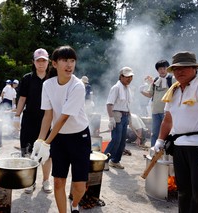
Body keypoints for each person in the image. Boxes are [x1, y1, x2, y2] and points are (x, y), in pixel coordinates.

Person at [32, 46, 91, 213]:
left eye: (72, 61)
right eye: (65, 60)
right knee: (58, 182)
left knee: (80, 186)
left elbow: (64, 118)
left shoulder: (78, 86)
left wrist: (46, 142)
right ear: (55, 63)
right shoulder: (48, 85)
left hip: (80, 137)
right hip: (59, 139)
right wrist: (40, 141)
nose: (69, 65)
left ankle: (74, 205)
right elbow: (48, 116)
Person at [154, 51, 198, 213]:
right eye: (176, 69)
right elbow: (168, 119)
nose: (180, 72)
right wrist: (159, 141)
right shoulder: (174, 90)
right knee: (183, 191)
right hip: (179, 147)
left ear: (195, 68)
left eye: (185, 67)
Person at [13, 48, 52, 194]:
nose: (41, 64)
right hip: (29, 119)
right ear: (33, 62)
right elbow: (22, 98)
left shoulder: (53, 78)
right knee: (28, 151)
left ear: (48, 62)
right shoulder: (27, 78)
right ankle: (30, 181)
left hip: (48, 120)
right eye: (38, 61)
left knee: (47, 152)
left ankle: (46, 180)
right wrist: (17, 116)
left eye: (44, 61)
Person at [104, 67, 134, 170]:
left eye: (131, 77)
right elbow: (109, 104)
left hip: (125, 115)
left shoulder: (127, 89)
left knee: (122, 141)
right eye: (126, 77)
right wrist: (111, 118)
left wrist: (129, 117)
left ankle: (115, 161)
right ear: (121, 77)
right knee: (116, 140)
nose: (129, 79)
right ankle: (104, 161)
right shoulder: (116, 88)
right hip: (117, 115)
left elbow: (127, 104)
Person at [140, 60, 172, 146]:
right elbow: (150, 94)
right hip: (155, 111)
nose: (162, 70)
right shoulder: (155, 81)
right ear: (157, 70)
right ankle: (153, 152)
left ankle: (165, 153)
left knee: (167, 133)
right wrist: (141, 91)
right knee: (154, 133)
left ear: (168, 69)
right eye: (160, 69)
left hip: (167, 112)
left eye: (164, 68)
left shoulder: (171, 79)